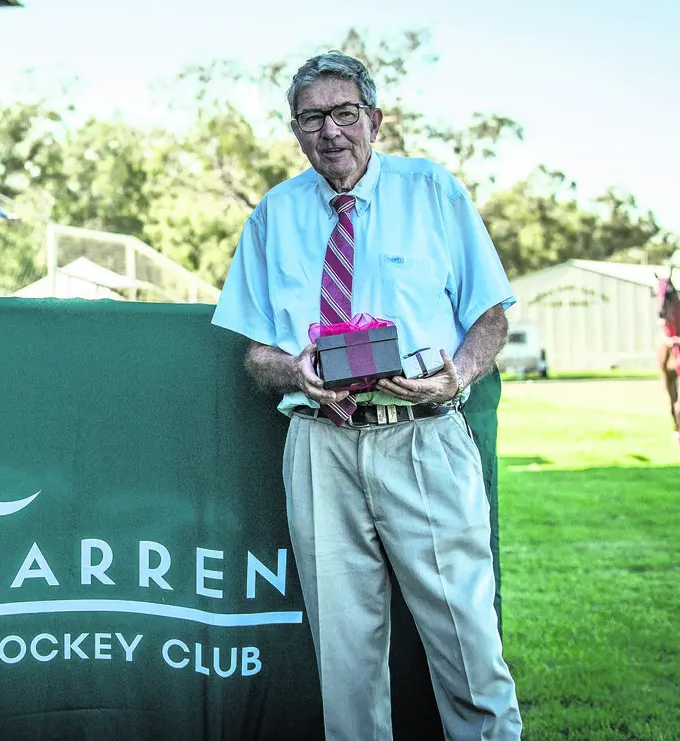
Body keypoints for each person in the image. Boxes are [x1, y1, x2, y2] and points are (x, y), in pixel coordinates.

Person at [211, 51, 522, 740]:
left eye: (344, 113)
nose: (330, 132)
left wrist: (457, 375)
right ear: (295, 131)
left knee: (467, 642)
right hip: (320, 445)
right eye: (312, 118)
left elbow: (490, 315)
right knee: (345, 660)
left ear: (374, 121)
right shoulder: (273, 215)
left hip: (424, 433)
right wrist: (295, 372)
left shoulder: (431, 191)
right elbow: (255, 355)